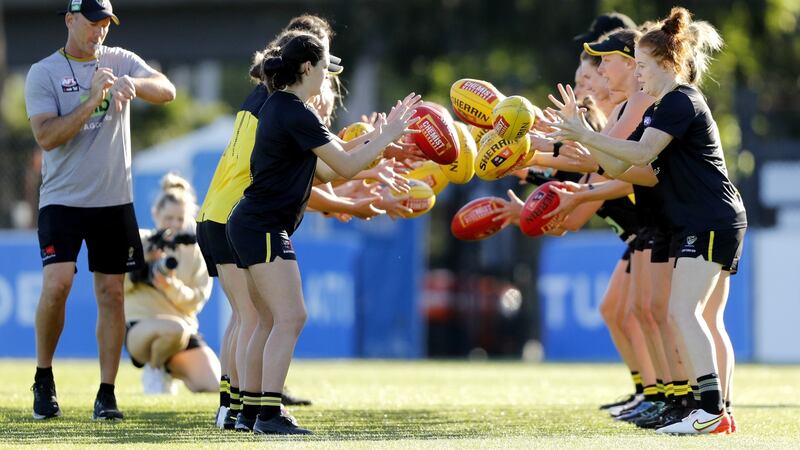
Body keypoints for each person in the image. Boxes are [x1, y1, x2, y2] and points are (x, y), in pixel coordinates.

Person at [547, 7, 745, 435]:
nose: (637, 74)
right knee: (683, 313)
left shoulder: (680, 100)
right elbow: (626, 170)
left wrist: (583, 134)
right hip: (700, 220)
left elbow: (638, 155)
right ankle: (710, 411)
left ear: (666, 64)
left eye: (641, 65)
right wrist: (580, 136)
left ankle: (709, 410)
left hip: (710, 219)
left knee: (682, 311)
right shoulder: (662, 106)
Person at [225, 33, 419, 435]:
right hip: (261, 224)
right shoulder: (296, 110)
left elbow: (330, 169)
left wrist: (378, 139)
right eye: (325, 65)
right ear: (308, 67)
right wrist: (388, 135)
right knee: (291, 316)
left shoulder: (285, 106)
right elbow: (346, 169)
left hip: (250, 223)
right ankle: (269, 414)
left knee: (266, 320)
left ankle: (249, 413)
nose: (329, 75)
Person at [24, 0, 175, 420]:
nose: (99, 32)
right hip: (62, 200)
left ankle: (106, 393)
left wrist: (135, 84)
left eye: (105, 24)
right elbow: (46, 137)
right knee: (56, 286)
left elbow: (167, 89)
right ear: (70, 20)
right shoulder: (44, 72)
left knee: (111, 293)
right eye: (92, 23)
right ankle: (43, 377)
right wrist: (92, 101)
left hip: (113, 199)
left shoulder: (119, 58)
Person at [123, 174, 219, 395]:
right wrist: (143, 261)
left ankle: (171, 370)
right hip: (140, 329)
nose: (174, 224)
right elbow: (116, 285)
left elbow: (196, 300)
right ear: (155, 213)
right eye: (169, 218)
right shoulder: (140, 241)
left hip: (183, 333)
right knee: (175, 329)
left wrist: (170, 286)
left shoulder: (194, 250)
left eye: (180, 219)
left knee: (213, 384)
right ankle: (155, 369)